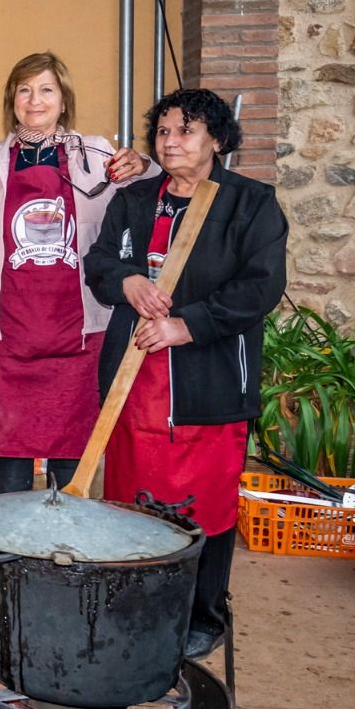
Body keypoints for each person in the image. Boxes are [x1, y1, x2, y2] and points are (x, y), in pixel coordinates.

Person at [86, 87, 287, 660]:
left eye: (187, 131)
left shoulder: (251, 203)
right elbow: (99, 262)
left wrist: (187, 324)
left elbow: (259, 287)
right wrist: (126, 281)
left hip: (209, 385)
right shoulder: (134, 200)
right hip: (134, 386)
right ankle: (135, 606)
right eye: (164, 132)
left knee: (207, 508)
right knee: (132, 504)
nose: (171, 142)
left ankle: (203, 613)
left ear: (216, 140)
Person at [0, 51, 150, 495]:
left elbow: (151, 198)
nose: (34, 100)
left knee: (71, 453)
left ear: (63, 99)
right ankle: (10, 554)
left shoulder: (98, 154)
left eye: (46, 90)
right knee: (9, 455)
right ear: (12, 100)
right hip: (8, 334)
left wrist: (144, 165)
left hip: (78, 335)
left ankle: (63, 553)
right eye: (24, 90)